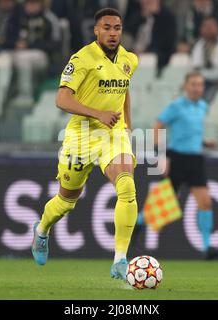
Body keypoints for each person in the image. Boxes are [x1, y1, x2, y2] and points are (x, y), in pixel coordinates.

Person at [31, 8, 139, 281]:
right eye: (106, 27)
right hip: (81, 136)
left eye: (117, 28)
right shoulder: (81, 59)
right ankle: (42, 230)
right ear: (96, 30)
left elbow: (123, 89)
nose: (112, 33)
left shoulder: (129, 59)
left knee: (126, 184)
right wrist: (98, 113)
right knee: (67, 202)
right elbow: (62, 99)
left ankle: (121, 259)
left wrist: (127, 123)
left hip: (112, 135)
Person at [153, 71, 218, 260]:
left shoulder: (203, 106)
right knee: (162, 211)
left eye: (200, 85)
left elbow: (189, 132)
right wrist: (161, 156)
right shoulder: (176, 106)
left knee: (205, 202)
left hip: (195, 159)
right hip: (176, 159)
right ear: (185, 86)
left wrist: (204, 142)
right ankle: (137, 223)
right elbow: (157, 127)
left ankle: (206, 247)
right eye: (193, 84)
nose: (197, 88)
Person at [9, 0, 62, 106]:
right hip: (19, 53)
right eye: (28, 3)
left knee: (23, 58)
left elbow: (55, 44)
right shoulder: (21, 18)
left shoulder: (49, 18)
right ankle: (5, 98)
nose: (30, 6)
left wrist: (29, 45)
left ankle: (25, 95)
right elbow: (8, 36)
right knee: (3, 60)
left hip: (44, 56)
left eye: (34, 3)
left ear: (40, 4)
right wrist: (16, 43)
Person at [191, 16, 218, 102]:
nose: (208, 29)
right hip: (206, 79)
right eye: (206, 26)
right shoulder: (199, 46)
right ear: (201, 29)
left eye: (211, 26)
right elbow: (196, 67)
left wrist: (203, 75)